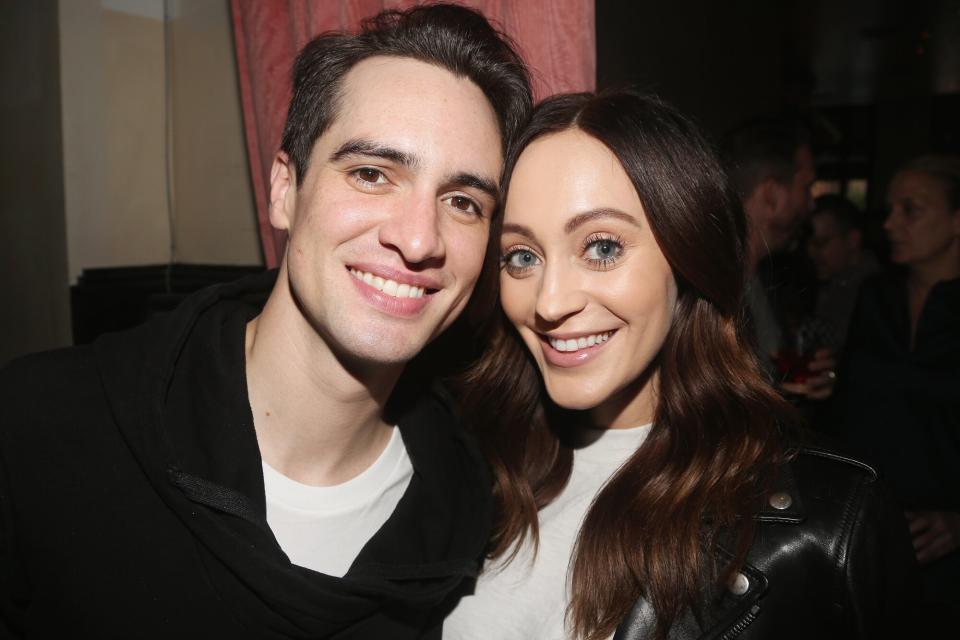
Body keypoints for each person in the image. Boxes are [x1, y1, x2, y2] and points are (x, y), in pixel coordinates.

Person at [0, 5, 531, 638]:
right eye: (370, 174)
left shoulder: (473, 513)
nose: (419, 240)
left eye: (463, 201)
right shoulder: (41, 428)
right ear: (284, 189)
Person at [443, 91, 915, 640]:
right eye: (521, 256)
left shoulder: (831, 522)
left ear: (687, 252)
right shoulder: (463, 453)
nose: (549, 302)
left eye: (601, 247)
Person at [834, 155, 960, 625]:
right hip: (868, 531)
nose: (890, 223)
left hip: (944, 551)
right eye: (890, 209)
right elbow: (850, 404)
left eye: (912, 210)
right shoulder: (876, 296)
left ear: (956, 220)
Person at [721, 120, 836, 400]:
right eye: (806, 188)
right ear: (771, 195)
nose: (811, 205)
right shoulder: (706, 292)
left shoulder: (770, 278)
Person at [805, 194, 879, 350]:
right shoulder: (830, 280)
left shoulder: (874, 292)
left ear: (853, 240)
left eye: (821, 243)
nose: (811, 252)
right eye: (808, 244)